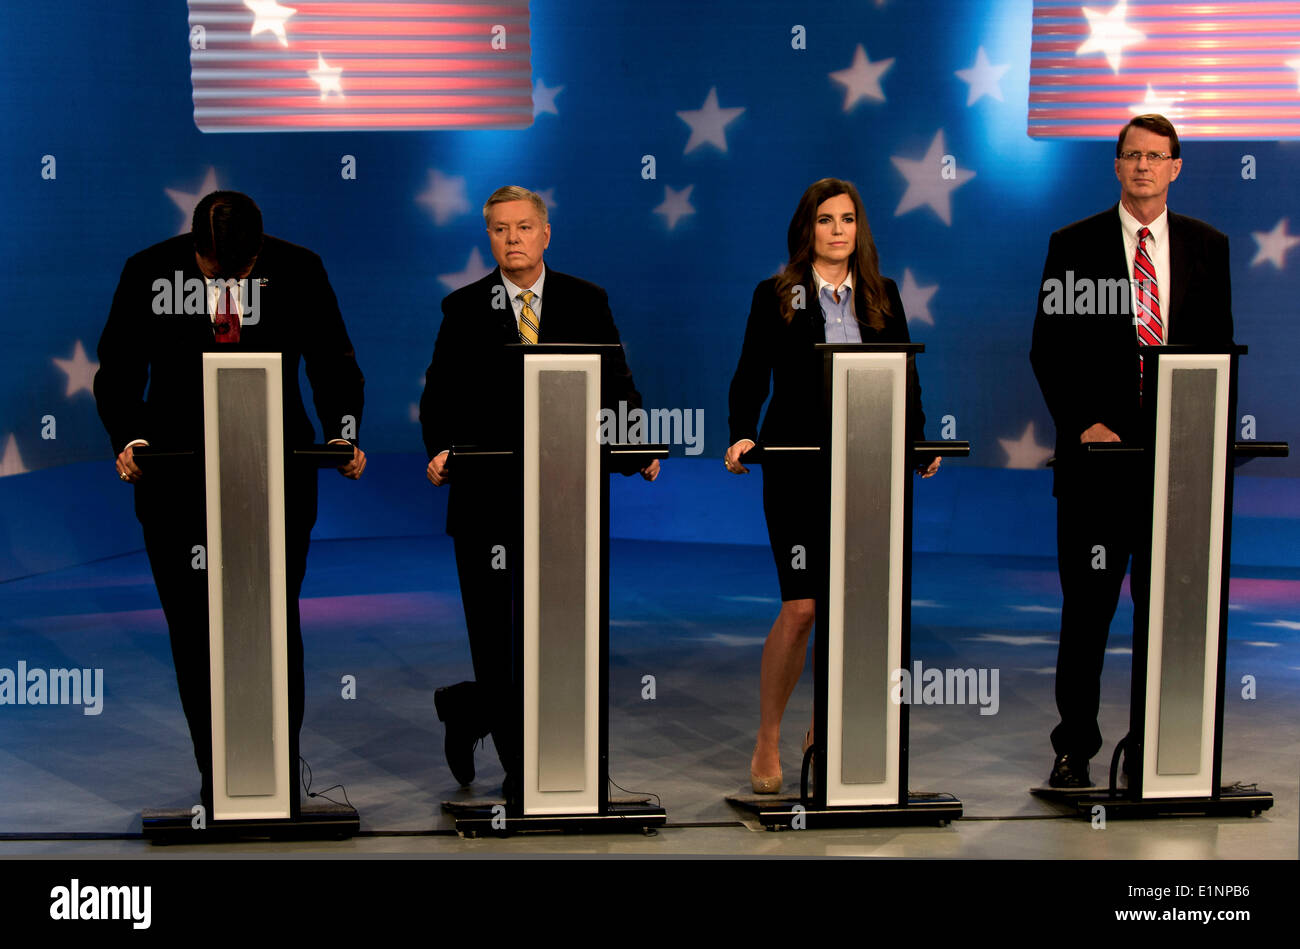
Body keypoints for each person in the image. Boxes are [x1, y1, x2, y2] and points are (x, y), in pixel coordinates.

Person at [94, 190, 366, 812]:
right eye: (214, 272)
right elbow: (117, 369)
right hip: (174, 478)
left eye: (240, 273)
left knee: (273, 619)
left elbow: (334, 361)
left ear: (260, 254)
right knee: (194, 627)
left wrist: (342, 431)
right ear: (194, 250)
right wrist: (132, 436)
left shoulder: (300, 268)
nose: (227, 282)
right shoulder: (147, 270)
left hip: (279, 471)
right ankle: (217, 776)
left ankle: (273, 777)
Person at [420, 185, 658, 799]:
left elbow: (617, 386)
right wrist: (442, 450)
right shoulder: (462, 308)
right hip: (486, 502)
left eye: (523, 227)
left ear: (545, 234)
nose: (512, 239)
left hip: (567, 500)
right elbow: (440, 399)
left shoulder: (586, 300)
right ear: (489, 237)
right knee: (499, 637)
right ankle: (525, 770)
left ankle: (475, 712)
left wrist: (637, 447)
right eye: (500, 229)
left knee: (560, 632)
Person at [1030, 115, 1233, 788]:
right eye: (1132, 155)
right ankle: (1073, 747)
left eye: (1156, 156)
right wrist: (1083, 421)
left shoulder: (1209, 247)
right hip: (1097, 468)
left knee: (1167, 609)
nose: (1143, 166)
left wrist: (1201, 435)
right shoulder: (1074, 244)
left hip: (1176, 470)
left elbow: (1217, 355)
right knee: (1088, 610)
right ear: (1116, 166)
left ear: (1177, 167)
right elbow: (1048, 350)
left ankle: (1152, 742)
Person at [725, 178, 939, 794]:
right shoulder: (777, 295)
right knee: (803, 607)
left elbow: (906, 376)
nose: (838, 229)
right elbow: (749, 376)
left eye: (848, 218)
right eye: (826, 219)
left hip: (867, 470)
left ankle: (824, 729)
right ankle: (768, 735)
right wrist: (742, 434)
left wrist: (918, 439)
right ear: (807, 229)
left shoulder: (883, 294)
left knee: (851, 609)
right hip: (795, 468)